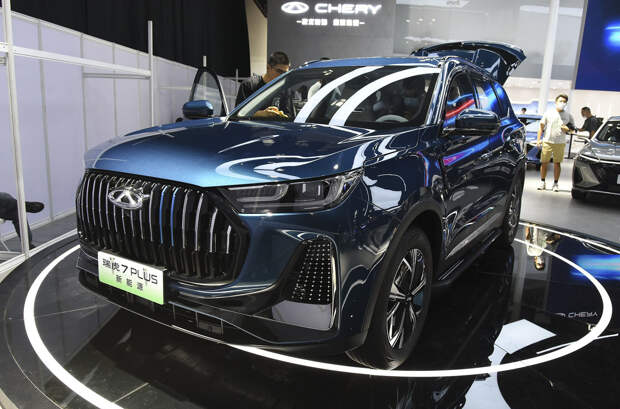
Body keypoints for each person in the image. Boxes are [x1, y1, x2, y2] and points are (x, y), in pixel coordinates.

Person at [536, 94, 575, 192]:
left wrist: (567, 129)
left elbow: (573, 130)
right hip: (547, 141)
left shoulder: (568, 116)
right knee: (544, 163)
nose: (562, 103)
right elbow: (541, 127)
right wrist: (538, 140)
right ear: (556, 102)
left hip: (560, 143)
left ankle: (555, 183)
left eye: (564, 102)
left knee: (557, 163)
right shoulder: (548, 113)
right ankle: (542, 181)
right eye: (560, 101)